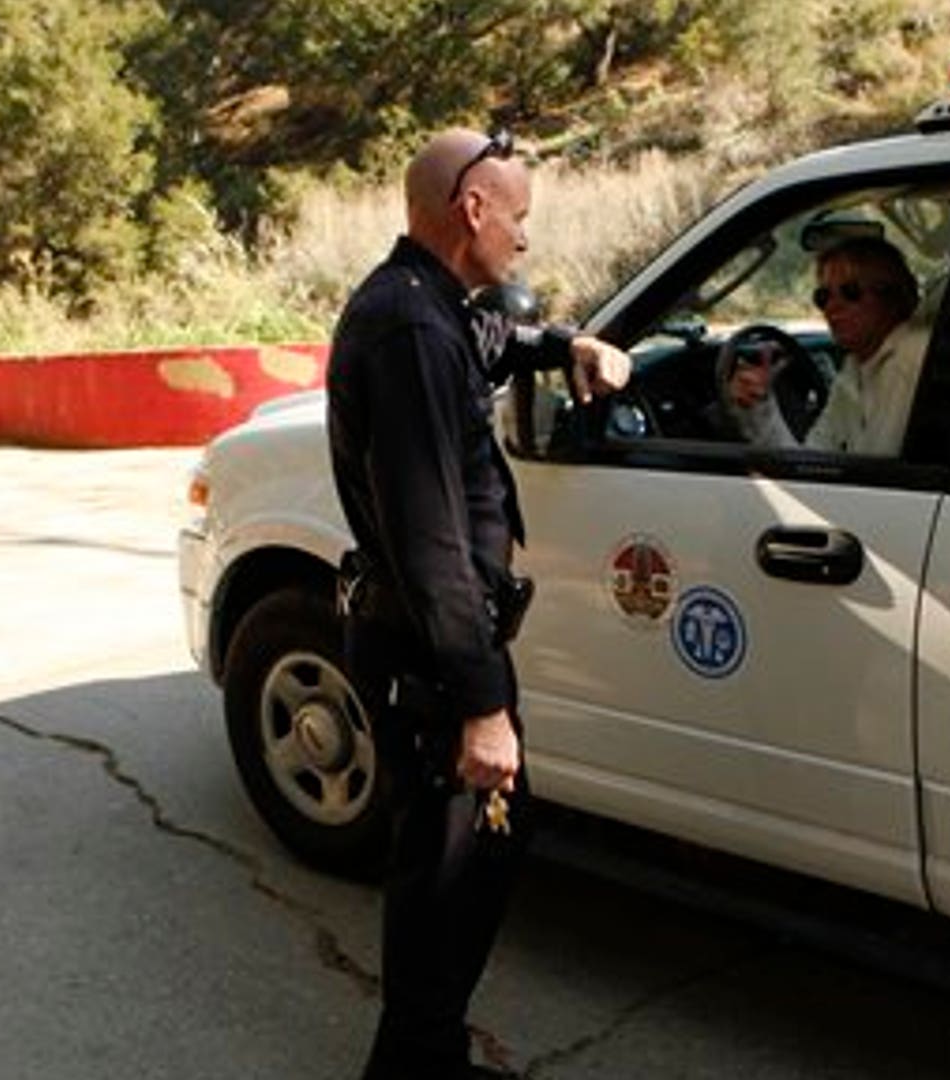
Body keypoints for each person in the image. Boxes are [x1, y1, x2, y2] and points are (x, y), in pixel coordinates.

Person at [326, 128, 630, 1080]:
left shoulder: (428, 304)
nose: (526, 241)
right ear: (473, 211)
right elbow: (432, 542)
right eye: (521, 218)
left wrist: (566, 344)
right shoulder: (412, 329)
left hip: (428, 650)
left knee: (462, 868)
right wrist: (483, 703)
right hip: (432, 655)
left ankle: (423, 1053)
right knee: (450, 880)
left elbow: (493, 340)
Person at [728, 235, 926, 456]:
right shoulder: (853, 370)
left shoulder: (916, 359)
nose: (832, 306)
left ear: (891, 297)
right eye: (822, 297)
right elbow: (810, 461)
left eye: (850, 292)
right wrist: (758, 407)